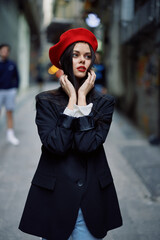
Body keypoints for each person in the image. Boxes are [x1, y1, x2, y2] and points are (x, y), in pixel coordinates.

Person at [19, 28, 122, 240]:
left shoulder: (104, 103)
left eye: (87, 56)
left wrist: (82, 101)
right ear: (66, 60)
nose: (82, 60)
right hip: (55, 198)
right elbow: (55, 145)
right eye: (75, 55)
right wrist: (71, 104)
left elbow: (87, 146)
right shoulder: (45, 101)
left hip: (91, 197)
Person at [0, 44, 20, 146]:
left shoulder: (12, 64)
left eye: (6, 50)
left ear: (8, 52)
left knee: (9, 113)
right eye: (2, 50)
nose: (4, 52)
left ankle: (10, 135)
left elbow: (17, 77)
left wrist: (15, 89)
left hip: (9, 91)